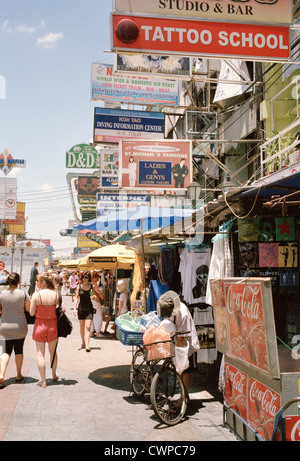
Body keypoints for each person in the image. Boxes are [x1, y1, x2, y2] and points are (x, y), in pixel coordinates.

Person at [157, 290, 200, 403]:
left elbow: (181, 340)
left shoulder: (183, 314)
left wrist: (178, 360)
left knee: (185, 370)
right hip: (176, 338)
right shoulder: (168, 308)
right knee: (179, 369)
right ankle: (185, 396)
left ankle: (182, 399)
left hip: (186, 343)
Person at [30, 272, 65, 388]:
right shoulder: (56, 294)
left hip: (40, 325)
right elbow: (63, 309)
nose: (36, 283)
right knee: (53, 352)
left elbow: (31, 313)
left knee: (40, 353)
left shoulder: (36, 295)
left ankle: (43, 380)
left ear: (43, 283)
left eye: (37, 281)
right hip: (53, 325)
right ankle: (54, 374)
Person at [0, 272, 30, 388]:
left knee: (6, 351)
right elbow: (28, 309)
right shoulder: (23, 293)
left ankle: (1, 374)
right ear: (18, 282)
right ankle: (18, 375)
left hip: (5, 325)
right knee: (19, 349)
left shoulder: (1, 294)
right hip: (20, 325)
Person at [73, 271, 94, 352]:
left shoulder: (91, 286)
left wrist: (93, 297)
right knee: (82, 327)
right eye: (84, 277)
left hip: (89, 309)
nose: (85, 279)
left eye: (86, 277)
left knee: (88, 327)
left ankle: (87, 345)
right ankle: (83, 342)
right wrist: (74, 308)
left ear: (89, 278)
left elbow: (92, 295)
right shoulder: (79, 286)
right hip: (81, 308)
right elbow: (76, 297)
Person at [90, 271, 103, 338]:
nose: (98, 280)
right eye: (97, 278)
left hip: (90, 301)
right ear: (94, 277)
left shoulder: (88, 283)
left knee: (91, 316)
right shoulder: (94, 284)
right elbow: (98, 292)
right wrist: (102, 296)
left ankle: (91, 332)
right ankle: (98, 332)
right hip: (95, 301)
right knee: (98, 317)